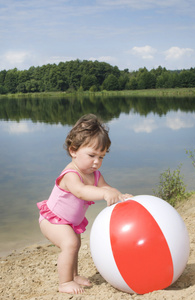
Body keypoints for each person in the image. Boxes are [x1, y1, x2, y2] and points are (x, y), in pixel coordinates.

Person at [37, 114, 132, 294]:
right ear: (73, 150)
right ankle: (65, 283)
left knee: (76, 244)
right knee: (70, 243)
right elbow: (82, 191)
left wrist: (119, 195)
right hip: (52, 219)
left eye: (101, 157)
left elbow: (106, 187)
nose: (97, 162)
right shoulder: (71, 175)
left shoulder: (95, 174)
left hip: (70, 221)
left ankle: (74, 276)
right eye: (91, 155)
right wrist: (104, 193)